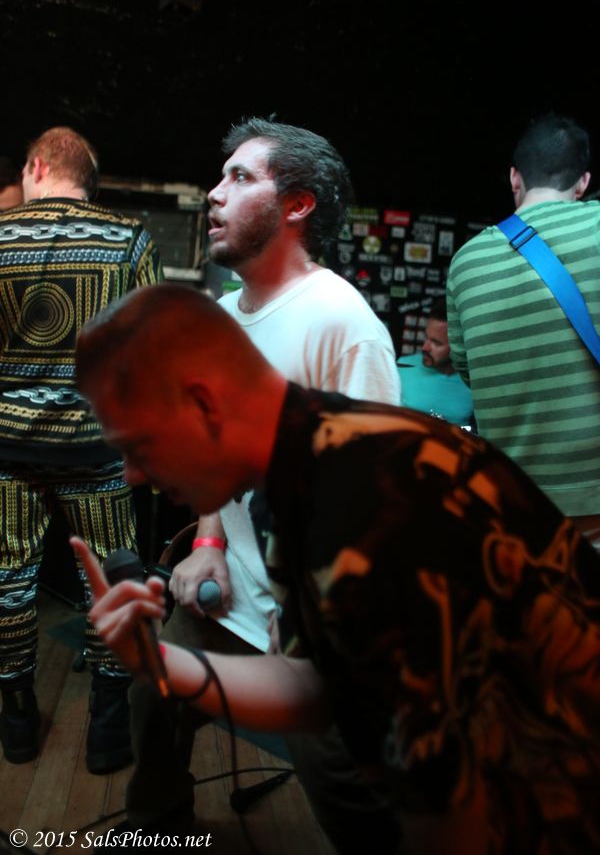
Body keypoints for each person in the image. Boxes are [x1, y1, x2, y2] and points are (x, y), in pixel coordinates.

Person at [74, 283, 600, 855]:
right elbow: (312, 687)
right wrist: (162, 665)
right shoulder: (300, 458)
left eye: (138, 446)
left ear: (203, 404)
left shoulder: (353, 506)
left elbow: (445, 794)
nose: (131, 475)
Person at [125, 117, 402, 850]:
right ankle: (159, 832)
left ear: (297, 205)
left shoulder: (341, 324)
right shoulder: (221, 319)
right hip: (234, 595)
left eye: (240, 177)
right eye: (221, 176)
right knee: (154, 694)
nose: (214, 193)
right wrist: (209, 542)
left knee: (338, 779)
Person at [0, 127, 163, 772]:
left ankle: (16, 719)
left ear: (38, 166)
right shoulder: (129, 239)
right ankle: (108, 728)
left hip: (6, 445)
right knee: (109, 580)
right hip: (95, 447)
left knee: (9, 578)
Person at [446, 112, 600, 549]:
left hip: (512, 510)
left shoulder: (465, 263)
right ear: (583, 182)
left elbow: (469, 371)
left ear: (515, 177)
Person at [397, 298, 473, 426]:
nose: (425, 348)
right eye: (426, 337)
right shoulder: (402, 368)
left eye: (436, 343)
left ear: (458, 346)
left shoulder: (472, 380)